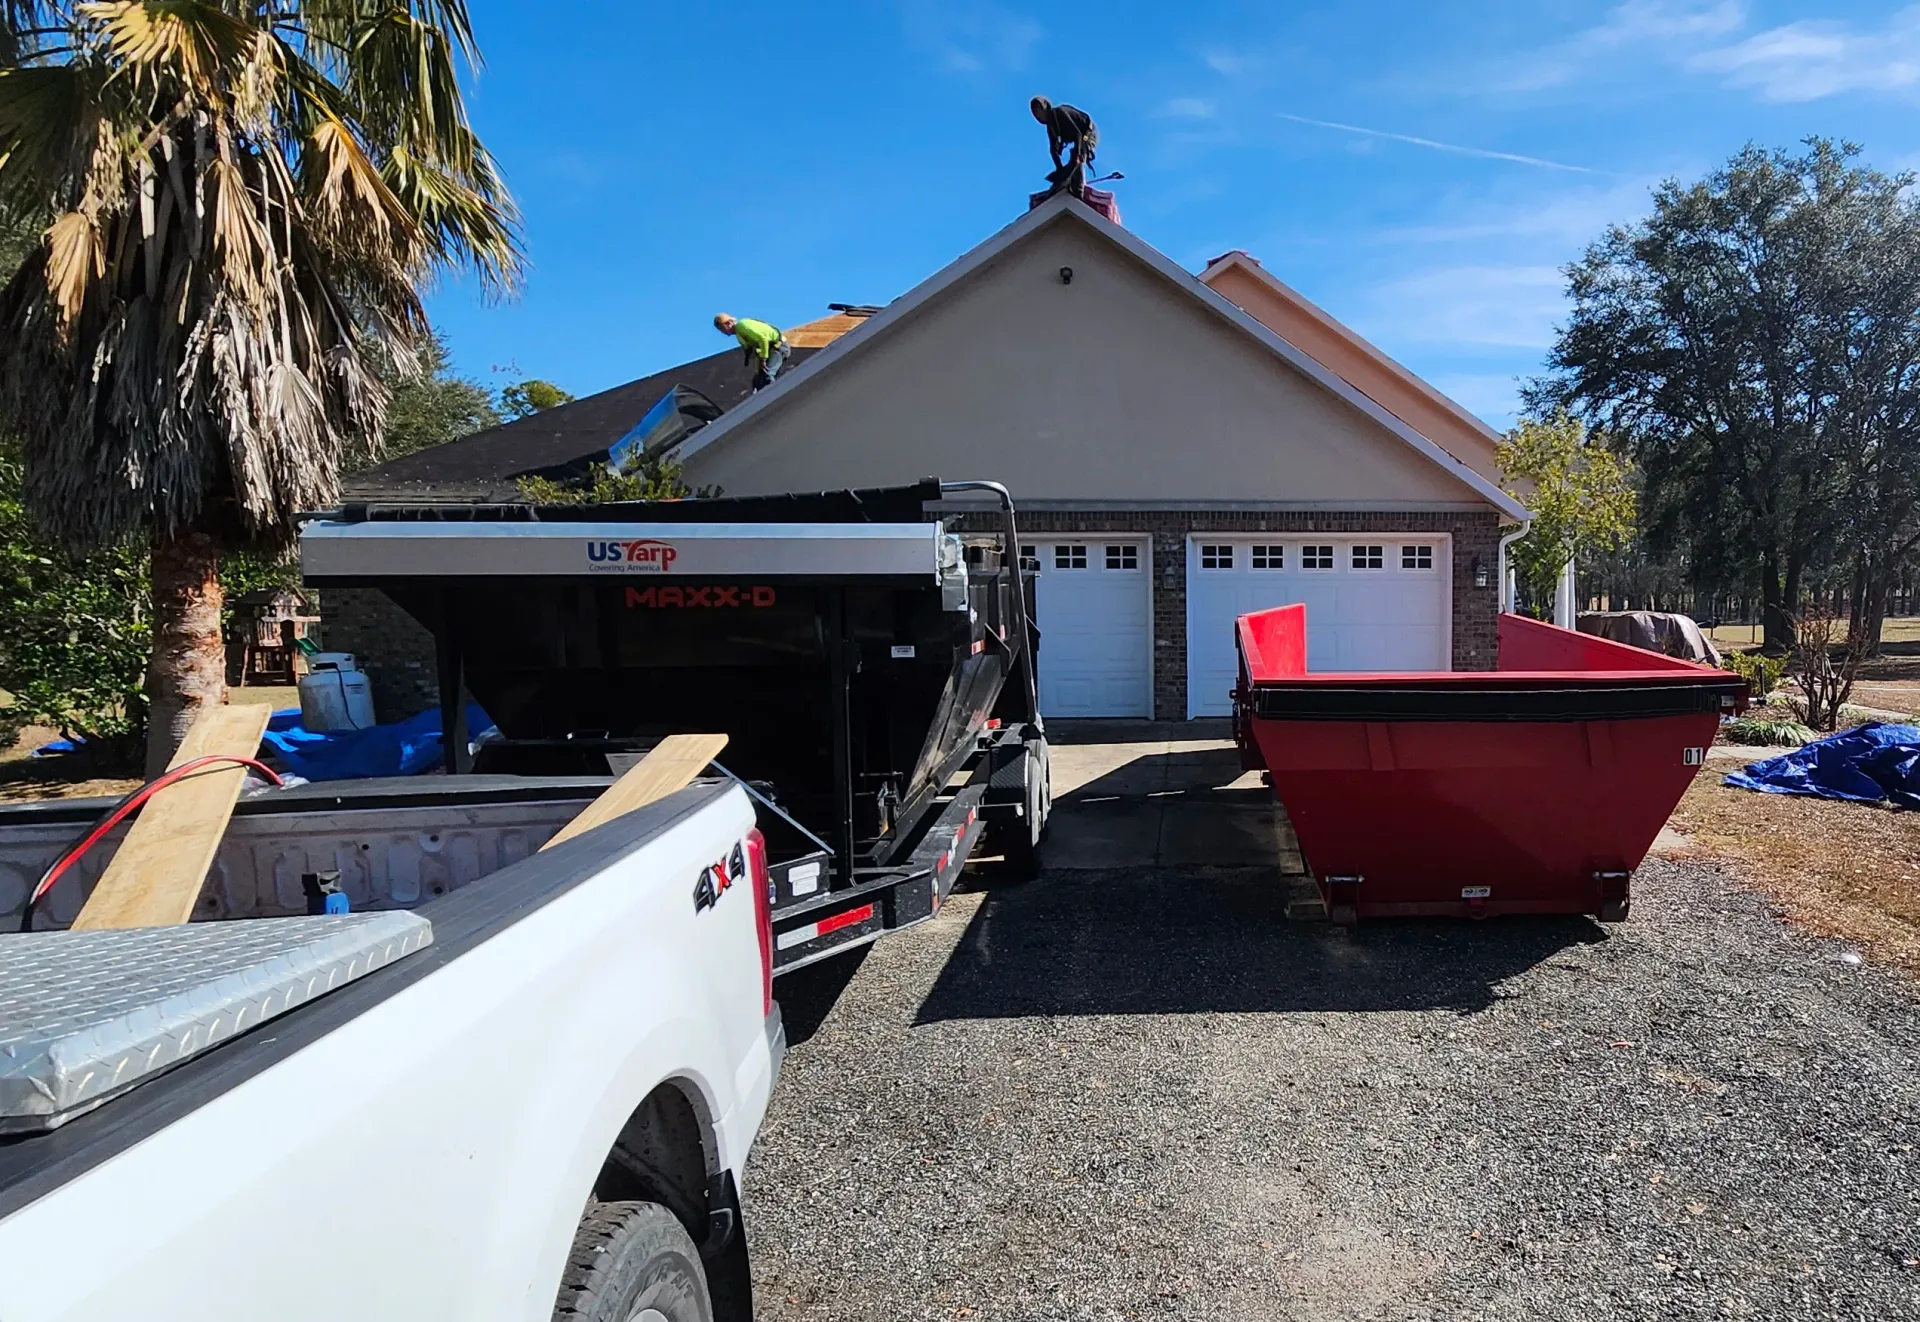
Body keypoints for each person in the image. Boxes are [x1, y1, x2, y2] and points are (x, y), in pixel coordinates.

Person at [1030, 96, 1098, 197]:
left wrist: (1078, 155)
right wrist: (1060, 170)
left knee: (1078, 156)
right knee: (1072, 162)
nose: (1037, 116)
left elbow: (1077, 134)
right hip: (1079, 136)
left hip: (1087, 133)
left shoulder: (1059, 113)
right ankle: (1068, 181)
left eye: (1038, 111)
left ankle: (1079, 190)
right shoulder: (1051, 127)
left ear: (1045, 107)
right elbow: (1053, 150)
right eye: (1034, 114)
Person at [714, 313, 790, 390]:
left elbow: (763, 339)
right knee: (758, 382)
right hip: (771, 350)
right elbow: (756, 352)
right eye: (721, 330)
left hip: (778, 346)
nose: (723, 332)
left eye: (723, 328)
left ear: (729, 323)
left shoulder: (742, 326)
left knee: (767, 375)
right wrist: (759, 369)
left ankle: (775, 395)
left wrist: (763, 360)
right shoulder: (739, 335)